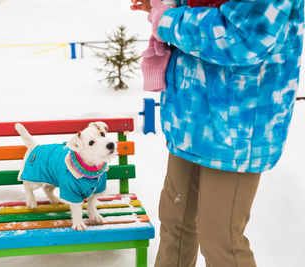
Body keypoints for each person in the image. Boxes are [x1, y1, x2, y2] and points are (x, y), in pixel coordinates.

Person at [130, 0, 304, 266]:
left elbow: (243, 38)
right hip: (190, 119)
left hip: (237, 130)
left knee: (220, 240)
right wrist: (165, 4)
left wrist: (167, 19)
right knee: (175, 225)